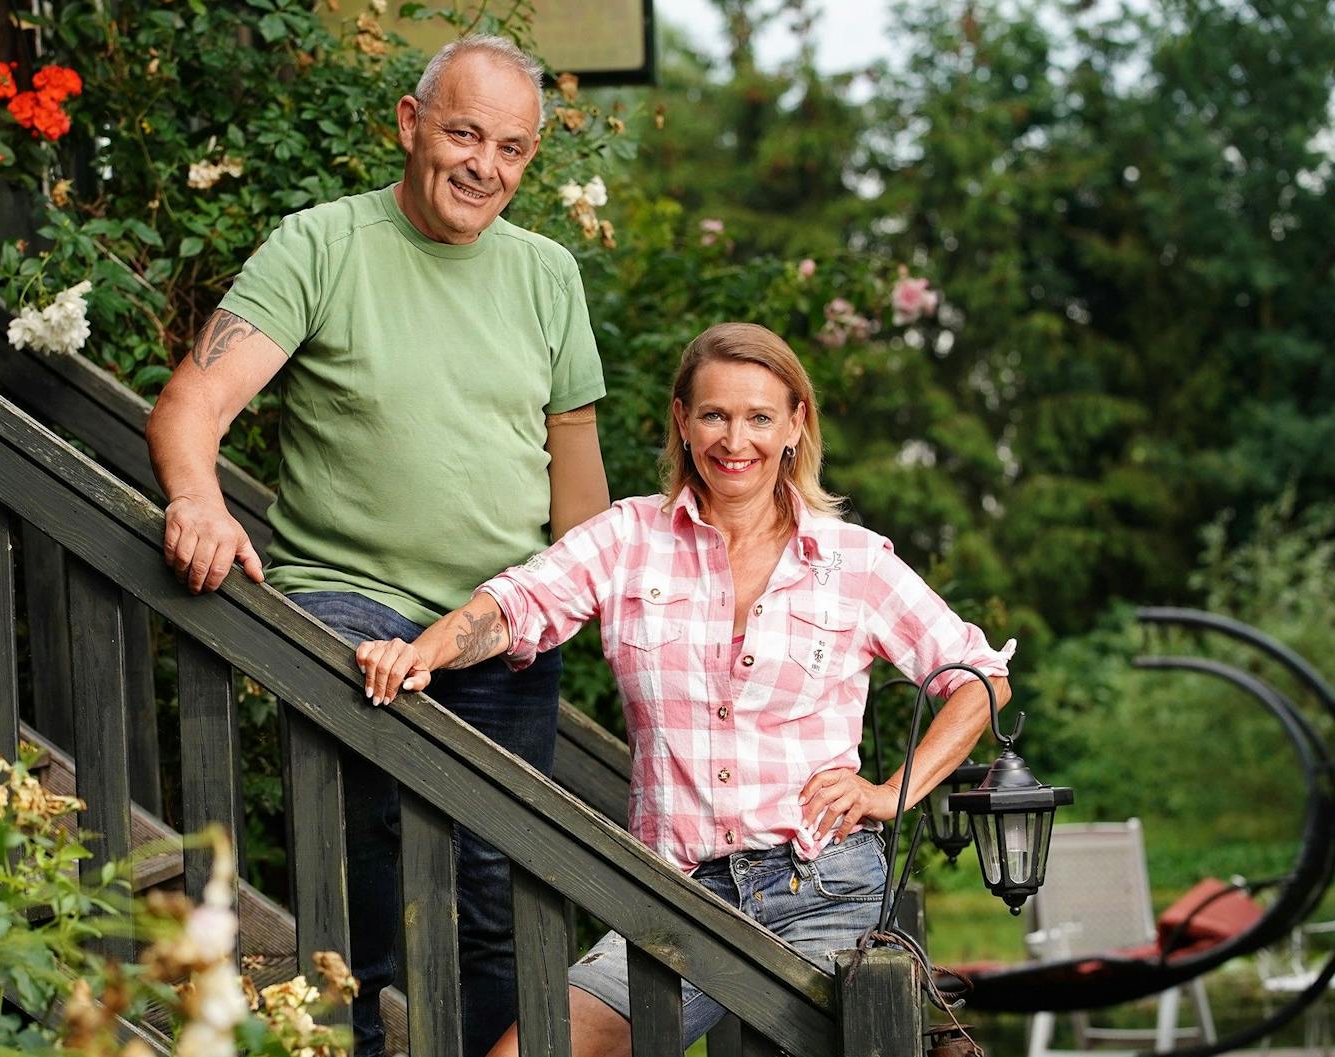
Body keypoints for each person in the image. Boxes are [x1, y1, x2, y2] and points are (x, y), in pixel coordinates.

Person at [355, 322, 1016, 1056]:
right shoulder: (628, 538)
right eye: (715, 415)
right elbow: (514, 605)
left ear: (796, 423)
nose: (736, 440)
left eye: (760, 416)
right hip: (675, 897)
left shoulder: (853, 562)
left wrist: (892, 793)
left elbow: (981, 677)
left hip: (825, 888)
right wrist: (425, 651)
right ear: (682, 420)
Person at [145, 35, 610, 1057]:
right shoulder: (321, 244)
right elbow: (192, 402)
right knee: (359, 870)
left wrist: (592, 603)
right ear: (409, 125)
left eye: (512, 148)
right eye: (462, 133)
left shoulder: (546, 274)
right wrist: (198, 499)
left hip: (498, 622)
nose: (485, 165)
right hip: (347, 602)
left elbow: (576, 485)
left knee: (496, 898)